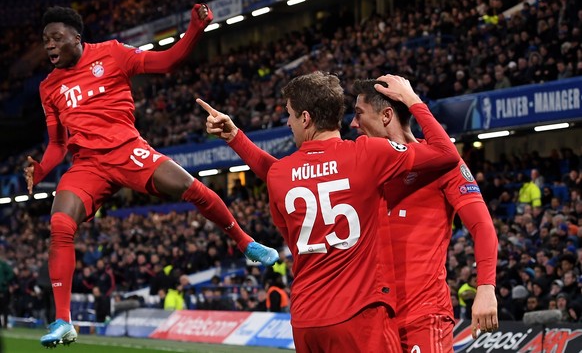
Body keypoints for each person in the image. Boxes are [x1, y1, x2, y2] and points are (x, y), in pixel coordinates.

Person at [24, 5, 278, 348]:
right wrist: (40, 170)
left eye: (56, 38)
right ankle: (63, 321)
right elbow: (57, 143)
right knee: (60, 226)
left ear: (76, 37)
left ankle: (245, 242)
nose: (49, 45)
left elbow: (167, 61)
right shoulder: (49, 87)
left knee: (192, 188)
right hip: (86, 165)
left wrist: (194, 28)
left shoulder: (113, 53)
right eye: (45, 41)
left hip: (127, 150)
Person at [199, 72, 460, 352]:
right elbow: (446, 154)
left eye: (289, 114)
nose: (288, 122)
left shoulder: (282, 173)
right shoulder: (369, 154)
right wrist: (412, 100)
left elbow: (273, 172)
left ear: (306, 118)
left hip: (306, 322)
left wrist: (235, 137)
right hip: (359, 316)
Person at [348, 79, 498, 349]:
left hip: (424, 317)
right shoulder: (365, 167)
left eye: (358, 114)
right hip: (373, 320)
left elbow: (483, 226)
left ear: (386, 115)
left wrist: (486, 287)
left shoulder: (442, 164)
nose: (352, 124)